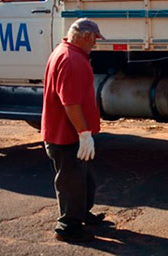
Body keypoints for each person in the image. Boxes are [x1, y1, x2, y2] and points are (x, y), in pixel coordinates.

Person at [42, 18, 106, 242]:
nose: (95, 45)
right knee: (71, 181)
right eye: (95, 40)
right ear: (87, 37)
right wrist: (83, 133)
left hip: (65, 132)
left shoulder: (64, 52)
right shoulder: (72, 60)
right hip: (66, 135)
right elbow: (70, 102)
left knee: (84, 178)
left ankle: (82, 214)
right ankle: (68, 227)